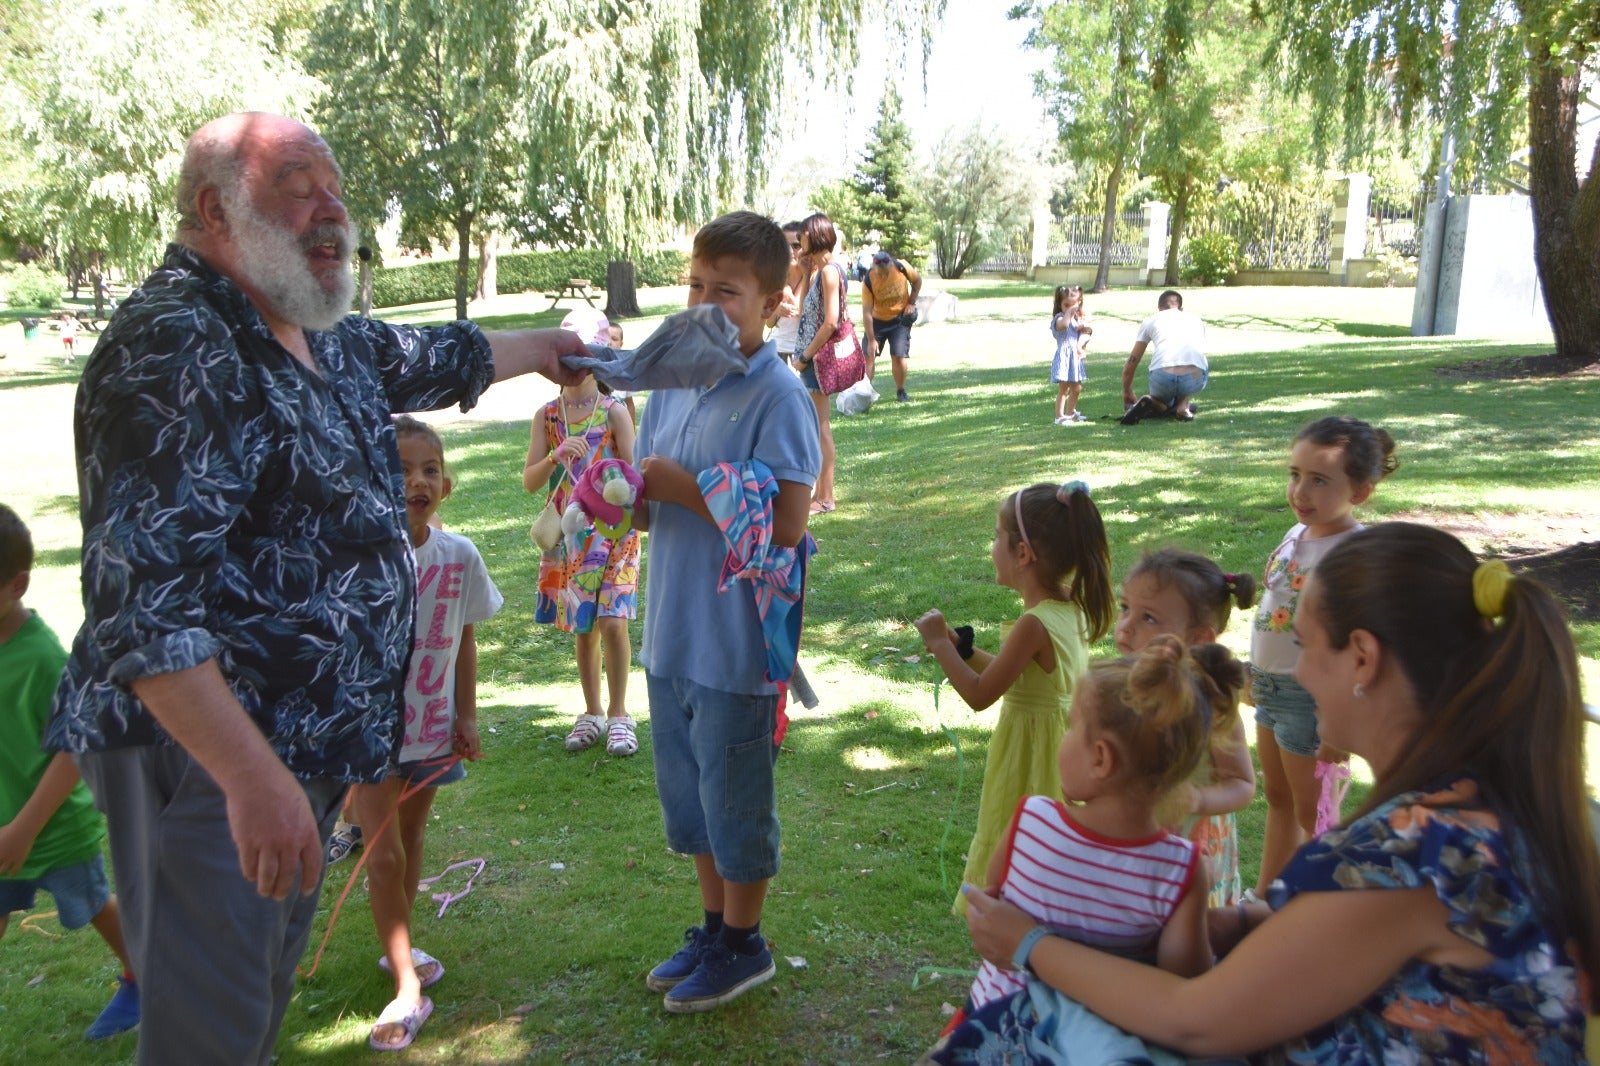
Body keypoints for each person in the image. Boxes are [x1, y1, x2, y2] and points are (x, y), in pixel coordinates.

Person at [44, 112, 587, 1065]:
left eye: (336, 189)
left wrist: (550, 345)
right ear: (216, 210)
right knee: (207, 1036)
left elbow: (432, 357)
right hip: (211, 758)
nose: (332, 209)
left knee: (249, 1008)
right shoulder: (175, 346)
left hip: (301, 746)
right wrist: (251, 778)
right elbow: (145, 611)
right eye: (299, 187)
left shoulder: (304, 323)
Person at [958, 522, 1599, 1062]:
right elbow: (1353, 940)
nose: (1291, 672)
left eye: (1305, 647)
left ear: (1363, 660)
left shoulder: (1415, 854)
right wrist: (1241, 919)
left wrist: (1030, 943)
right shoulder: (1493, 797)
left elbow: (1194, 1018)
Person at [631, 210, 821, 1013]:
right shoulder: (674, 378)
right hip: (671, 628)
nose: (708, 304)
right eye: (697, 286)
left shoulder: (779, 395)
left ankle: (745, 945)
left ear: (775, 302)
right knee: (693, 796)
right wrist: (622, 500)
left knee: (737, 798)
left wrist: (687, 489)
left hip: (737, 642)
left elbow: (787, 521)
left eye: (730, 292)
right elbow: (650, 496)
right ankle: (713, 927)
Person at [925, 637, 1218, 1063]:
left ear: (1100, 759)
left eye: (1071, 725)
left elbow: (989, 900)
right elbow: (1187, 981)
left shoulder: (1031, 820)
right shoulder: (1180, 870)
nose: (1065, 739)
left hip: (992, 1032)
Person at [349, 416, 502, 1052]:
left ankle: (399, 949)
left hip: (432, 727)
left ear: (447, 481)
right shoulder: (357, 558)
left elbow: (465, 638)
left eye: (429, 468)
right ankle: (409, 988)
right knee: (380, 851)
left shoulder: (460, 555)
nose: (417, 479)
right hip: (368, 732)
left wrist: (465, 715)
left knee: (410, 843)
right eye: (400, 469)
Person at [913, 480, 1115, 914]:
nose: (992, 548)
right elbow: (1022, 677)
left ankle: (1011, 941)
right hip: (1059, 749)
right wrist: (964, 648)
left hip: (1030, 759)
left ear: (1023, 554)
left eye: (997, 537)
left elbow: (981, 694)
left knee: (1018, 847)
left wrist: (940, 645)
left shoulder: (1034, 624)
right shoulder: (1069, 610)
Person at [0, 505, 139, 1041]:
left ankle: (142, 977)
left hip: (53, 828)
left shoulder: (42, 659)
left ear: (17, 584)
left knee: (93, 903)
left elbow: (74, 749)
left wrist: (25, 829)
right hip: (2, 826)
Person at [1252, 416, 1396, 893]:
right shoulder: (1298, 534)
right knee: (1278, 797)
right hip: (1270, 689)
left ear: (1360, 492)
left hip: (1314, 700)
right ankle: (1266, 899)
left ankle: (1322, 905)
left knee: (1318, 817)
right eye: (1295, 474)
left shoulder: (1354, 552)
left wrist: (1338, 731)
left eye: (1318, 480)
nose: (1300, 491)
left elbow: (1364, 643)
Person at [523, 315, 641, 758]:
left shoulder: (613, 411)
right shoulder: (548, 416)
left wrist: (611, 482)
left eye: (584, 358)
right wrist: (555, 455)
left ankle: (619, 714)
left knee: (613, 621)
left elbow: (636, 473)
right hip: (573, 539)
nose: (576, 368)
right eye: (568, 361)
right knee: (584, 625)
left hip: (617, 533)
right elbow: (530, 481)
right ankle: (591, 713)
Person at [1115, 549, 1257, 906]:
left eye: (1148, 618)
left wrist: (1198, 798)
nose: (1126, 625)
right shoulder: (1118, 685)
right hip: (1134, 841)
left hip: (1194, 853)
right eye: (1125, 608)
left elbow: (1241, 784)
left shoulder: (1211, 705)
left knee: (1187, 944)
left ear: (1199, 639)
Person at [791, 212, 843, 514]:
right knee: (816, 425)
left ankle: (826, 497)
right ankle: (820, 493)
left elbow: (831, 323)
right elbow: (804, 315)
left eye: (804, 236)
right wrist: (804, 270)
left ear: (817, 235)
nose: (800, 241)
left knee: (821, 426)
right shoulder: (819, 272)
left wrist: (805, 357)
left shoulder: (830, 273)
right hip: (812, 360)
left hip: (818, 360)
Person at [1121, 289, 1207, 423]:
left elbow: (1132, 362)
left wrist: (1127, 391)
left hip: (1162, 378)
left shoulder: (1151, 321)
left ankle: (1156, 403)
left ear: (1160, 308)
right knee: (1201, 367)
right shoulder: (1196, 319)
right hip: (1193, 378)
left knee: (1166, 388)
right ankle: (1183, 405)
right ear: (1181, 308)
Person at [861, 249, 922, 403]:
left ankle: (901, 391)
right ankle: (865, 393)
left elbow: (917, 281)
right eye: (879, 274)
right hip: (877, 320)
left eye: (886, 273)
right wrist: (871, 339)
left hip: (899, 320)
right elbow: (867, 313)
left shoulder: (901, 267)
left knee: (898, 355)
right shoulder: (869, 279)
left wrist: (911, 303)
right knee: (869, 356)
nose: (883, 277)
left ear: (891, 266)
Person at [1049, 284, 1090, 424]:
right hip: (1064, 357)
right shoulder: (1060, 318)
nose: (1070, 308)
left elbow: (1084, 335)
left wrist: (1084, 330)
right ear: (1060, 305)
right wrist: (1069, 312)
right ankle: (1059, 416)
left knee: (1077, 388)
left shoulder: (1077, 320)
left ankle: (1070, 413)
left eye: (1074, 305)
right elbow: (1064, 325)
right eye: (1066, 305)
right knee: (1064, 388)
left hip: (1075, 358)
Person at [767, 221, 805, 369]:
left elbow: (812, 320)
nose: (790, 251)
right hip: (778, 350)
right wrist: (776, 309)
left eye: (796, 246)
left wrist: (788, 295)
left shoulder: (813, 278)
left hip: (803, 353)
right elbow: (769, 323)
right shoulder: (775, 279)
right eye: (784, 245)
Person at [605, 322, 637, 425]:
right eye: (606, 337)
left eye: (614, 339)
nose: (609, 342)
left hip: (620, 427)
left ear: (621, 344)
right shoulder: (592, 370)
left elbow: (630, 404)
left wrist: (632, 433)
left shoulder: (625, 371)